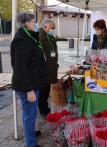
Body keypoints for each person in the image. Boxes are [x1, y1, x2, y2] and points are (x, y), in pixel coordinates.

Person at [10, 12, 47, 147]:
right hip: (27, 86)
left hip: (32, 82)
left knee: (31, 114)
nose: (36, 24)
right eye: (34, 21)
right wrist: (29, 90)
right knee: (29, 115)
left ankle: (30, 135)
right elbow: (20, 67)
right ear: (27, 23)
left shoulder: (29, 36)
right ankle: (30, 144)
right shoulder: (22, 39)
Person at [38, 19, 58, 117]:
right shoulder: (41, 36)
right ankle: (43, 110)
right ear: (45, 26)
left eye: (54, 28)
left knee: (46, 91)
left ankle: (45, 108)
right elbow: (41, 54)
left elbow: (52, 52)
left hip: (50, 67)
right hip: (44, 69)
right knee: (43, 91)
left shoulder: (49, 37)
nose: (53, 30)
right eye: (52, 28)